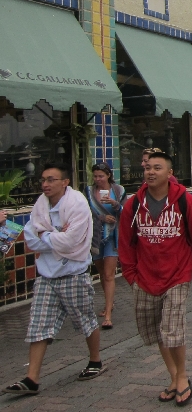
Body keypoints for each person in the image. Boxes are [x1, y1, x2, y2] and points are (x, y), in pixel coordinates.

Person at [118, 152, 192, 406]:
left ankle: (182, 376)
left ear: (170, 173)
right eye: (148, 168)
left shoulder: (184, 200)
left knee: (172, 329)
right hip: (145, 277)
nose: (151, 172)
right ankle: (173, 376)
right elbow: (125, 241)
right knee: (158, 332)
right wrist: (130, 274)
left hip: (177, 274)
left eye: (157, 168)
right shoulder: (133, 204)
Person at [3, 162, 104, 396]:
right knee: (38, 324)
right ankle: (32, 379)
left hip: (73, 273)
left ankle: (95, 360)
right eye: (43, 180)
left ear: (65, 182)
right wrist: (56, 235)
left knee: (85, 320)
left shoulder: (77, 204)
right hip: (46, 275)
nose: (45, 184)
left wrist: (46, 235)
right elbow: (31, 240)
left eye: (51, 180)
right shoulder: (41, 205)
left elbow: (71, 241)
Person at [85, 163, 126, 330]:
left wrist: (114, 203)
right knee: (102, 272)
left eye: (101, 176)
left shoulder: (119, 190)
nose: (98, 179)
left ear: (108, 175)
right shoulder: (88, 191)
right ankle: (109, 303)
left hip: (112, 236)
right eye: (95, 176)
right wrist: (102, 218)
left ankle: (108, 314)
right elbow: (85, 213)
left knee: (109, 274)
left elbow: (125, 211)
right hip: (95, 237)